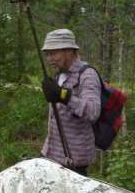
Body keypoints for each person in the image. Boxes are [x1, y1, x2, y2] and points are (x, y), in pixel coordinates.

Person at [40, 28, 101, 176]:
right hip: (51, 155)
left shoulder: (87, 75)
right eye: (47, 54)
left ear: (69, 51)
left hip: (73, 162)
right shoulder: (58, 75)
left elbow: (93, 111)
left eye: (53, 53)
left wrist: (64, 96)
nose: (49, 59)